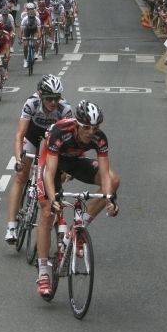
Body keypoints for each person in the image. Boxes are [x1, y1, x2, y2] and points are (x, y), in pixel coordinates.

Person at [33, 101, 120, 298]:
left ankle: (79, 229)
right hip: (51, 161)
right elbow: (50, 173)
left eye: (95, 128)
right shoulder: (60, 132)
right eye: (86, 127)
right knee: (47, 210)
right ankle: (44, 271)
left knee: (114, 180)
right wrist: (53, 198)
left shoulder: (99, 138)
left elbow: (105, 173)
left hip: (73, 161)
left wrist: (109, 200)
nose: (91, 132)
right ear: (77, 124)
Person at [4, 75, 72, 244]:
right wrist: (18, 159)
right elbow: (20, 135)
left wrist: (65, 168)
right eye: (49, 98)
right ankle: (11, 226)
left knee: (55, 178)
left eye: (56, 98)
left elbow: (67, 142)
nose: (53, 102)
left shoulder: (65, 109)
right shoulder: (32, 103)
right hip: (32, 134)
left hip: (53, 140)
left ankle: (56, 222)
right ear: (41, 95)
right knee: (21, 177)